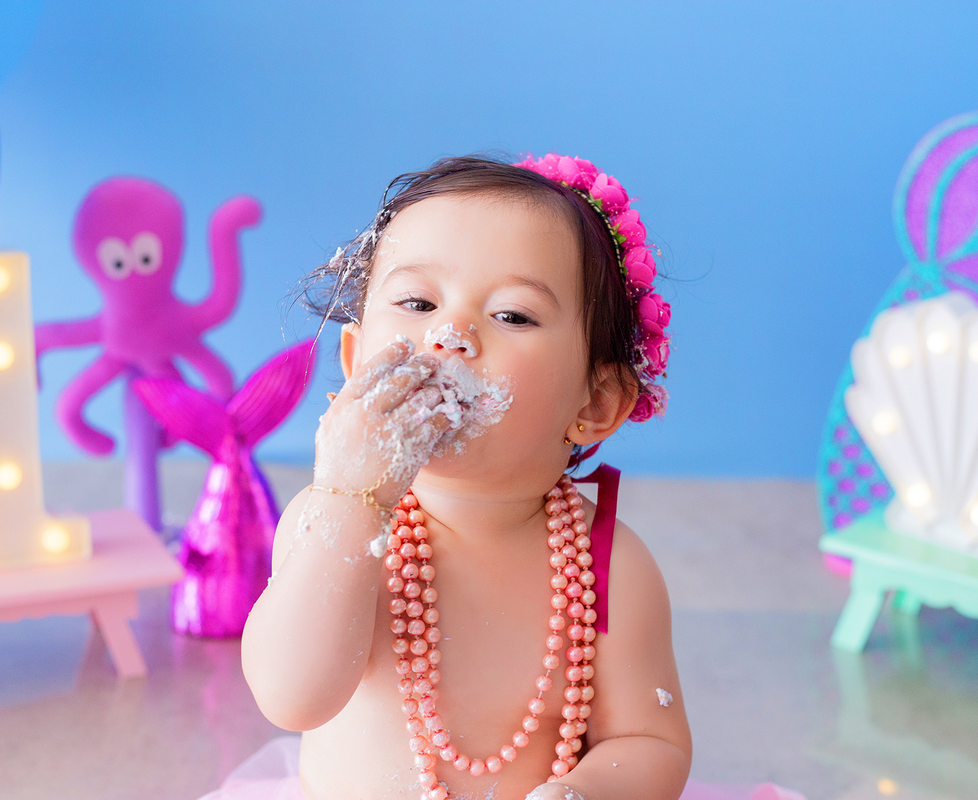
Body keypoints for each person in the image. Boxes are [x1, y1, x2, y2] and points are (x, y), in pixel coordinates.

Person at [223, 155, 797, 800]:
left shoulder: (608, 563)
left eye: (513, 315)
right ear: (356, 364)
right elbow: (291, 697)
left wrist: (582, 793)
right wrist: (354, 499)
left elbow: (651, 742)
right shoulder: (330, 518)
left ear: (594, 405)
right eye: (417, 302)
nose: (451, 333)